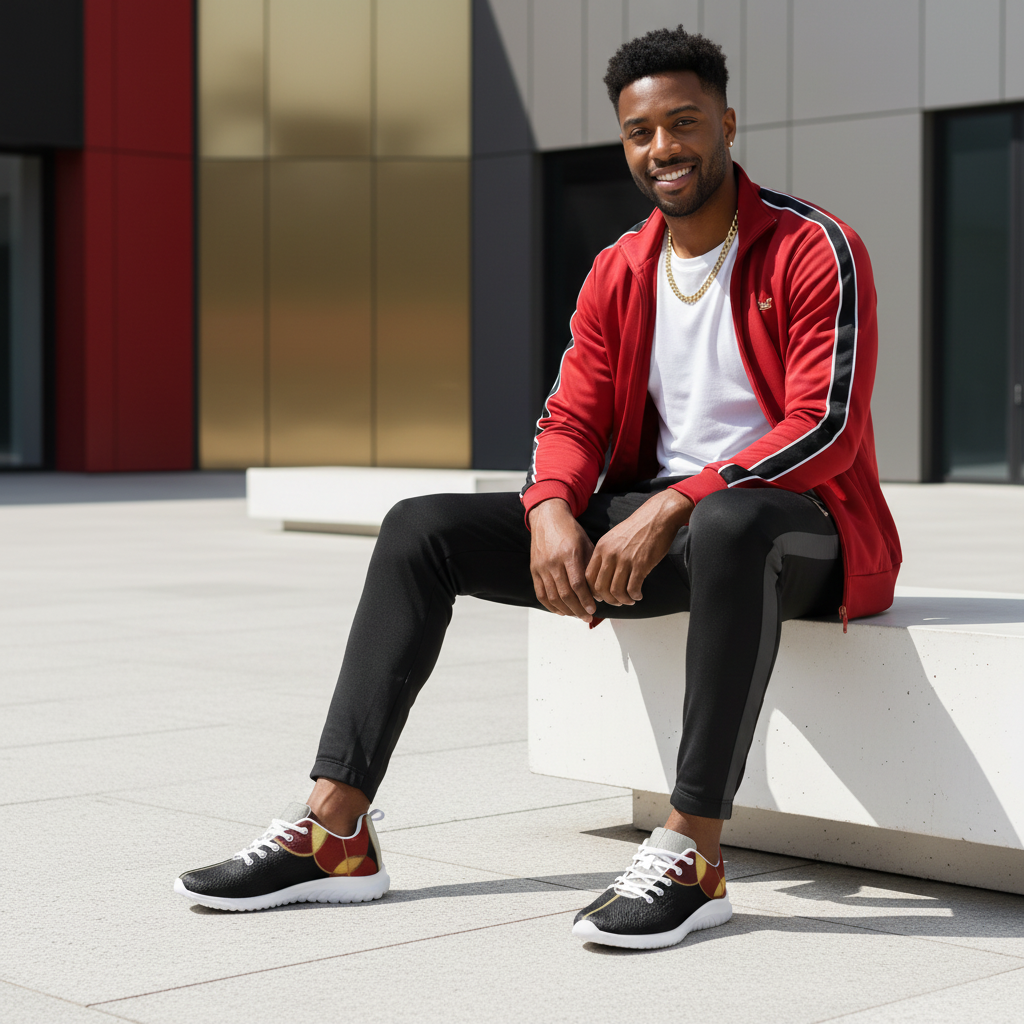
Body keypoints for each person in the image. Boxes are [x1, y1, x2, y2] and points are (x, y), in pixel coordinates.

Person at [175, 26, 900, 950]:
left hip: (801, 534)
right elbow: (572, 419)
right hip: (665, 528)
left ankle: (695, 851)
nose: (663, 149)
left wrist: (680, 501)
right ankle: (335, 830)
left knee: (729, 519)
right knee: (419, 528)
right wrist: (550, 508)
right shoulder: (619, 268)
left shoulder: (814, 246)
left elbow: (824, 426)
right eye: (641, 133)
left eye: (683, 124)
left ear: (725, 122)